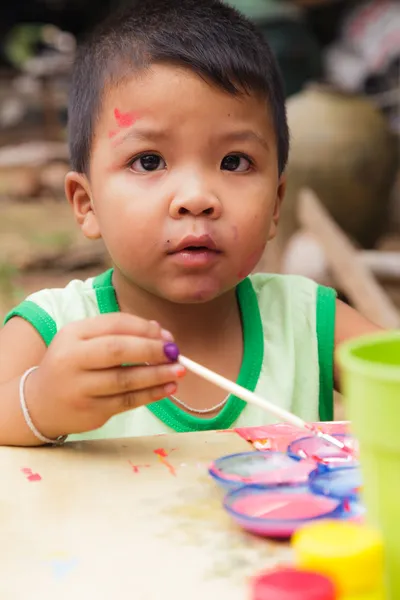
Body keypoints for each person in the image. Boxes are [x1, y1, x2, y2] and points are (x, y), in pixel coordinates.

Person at [0, 0, 379, 447]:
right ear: (87, 204)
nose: (197, 198)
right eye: (148, 161)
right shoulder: (52, 330)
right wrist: (40, 402)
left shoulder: (309, 323)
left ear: (277, 202)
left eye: (234, 162)